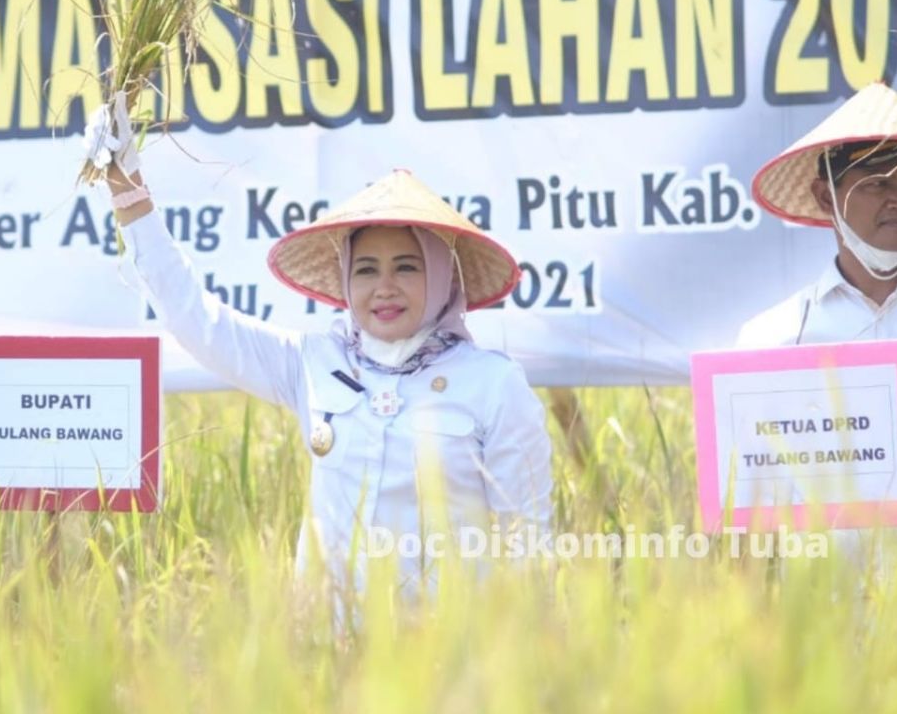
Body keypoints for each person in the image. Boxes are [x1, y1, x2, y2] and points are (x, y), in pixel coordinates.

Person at [83, 94, 553, 596]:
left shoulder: (494, 385)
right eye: (366, 270)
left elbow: (527, 547)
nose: (385, 287)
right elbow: (197, 319)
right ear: (346, 281)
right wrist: (128, 194)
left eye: (408, 268)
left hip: (449, 657)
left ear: (443, 277)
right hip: (326, 654)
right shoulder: (313, 363)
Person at [739, 81, 897, 562]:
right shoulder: (773, 341)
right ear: (826, 197)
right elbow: (751, 515)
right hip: (828, 616)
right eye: (878, 182)